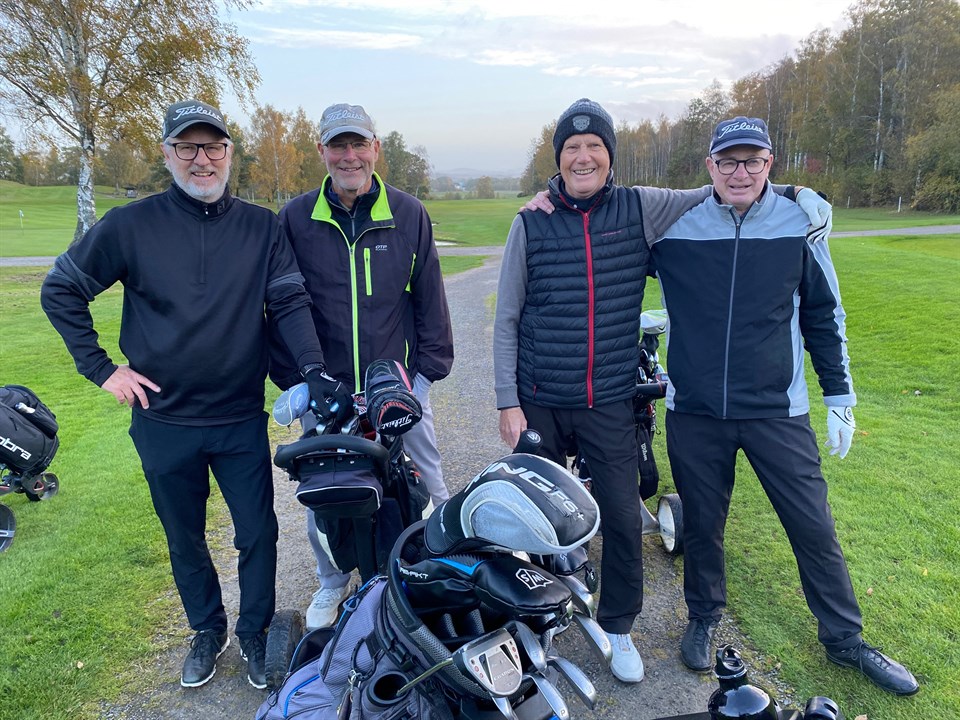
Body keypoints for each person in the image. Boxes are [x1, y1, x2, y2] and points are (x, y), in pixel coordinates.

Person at [495, 100, 833, 685]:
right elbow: (506, 317)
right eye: (572, 149)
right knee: (536, 516)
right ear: (558, 159)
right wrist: (507, 400)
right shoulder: (530, 221)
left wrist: (794, 191)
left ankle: (618, 626)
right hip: (540, 394)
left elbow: (723, 190)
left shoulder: (641, 206)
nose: (583, 157)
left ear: (610, 157)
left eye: (594, 147)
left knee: (624, 516)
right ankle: (537, 617)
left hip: (610, 397)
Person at [40, 99, 331, 691]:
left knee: (258, 533)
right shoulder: (130, 225)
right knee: (185, 536)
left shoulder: (261, 227)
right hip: (163, 418)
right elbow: (61, 289)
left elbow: (290, 302)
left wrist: (314, 370)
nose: (203, 159)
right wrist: (102, 370)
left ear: (229, 152)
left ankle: (253, 632)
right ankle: (207, 629)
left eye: (213, 146)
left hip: (238, 416)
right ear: (167, 154)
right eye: (187, 147)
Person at [653, 116, 918, 695]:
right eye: (728, 161)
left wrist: (840, 397)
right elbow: (608, 232)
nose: (740, 172)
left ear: (770, 163)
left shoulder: (800, 222)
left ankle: (844, 639)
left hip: (777, 410)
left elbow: (824, 314)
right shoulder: (675, 226)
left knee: (813, 526)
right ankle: (703, 616)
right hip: (694, 411)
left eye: (753, 160)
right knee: (703, 525)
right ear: (710, 166)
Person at [268, 103, 454, 630]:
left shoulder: (408, 213)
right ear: (322, 151)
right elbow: (283, 305)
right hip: (325, 389)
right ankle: (332, 579)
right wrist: (297, 380)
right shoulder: (296, 218)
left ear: (375, 148)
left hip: (395, 386)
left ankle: (437, 564)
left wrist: (424, 377)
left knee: (426, 479)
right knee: (321, 494)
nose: (349, 156)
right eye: (337, 145)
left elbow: (430, 301)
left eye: (358, 144)